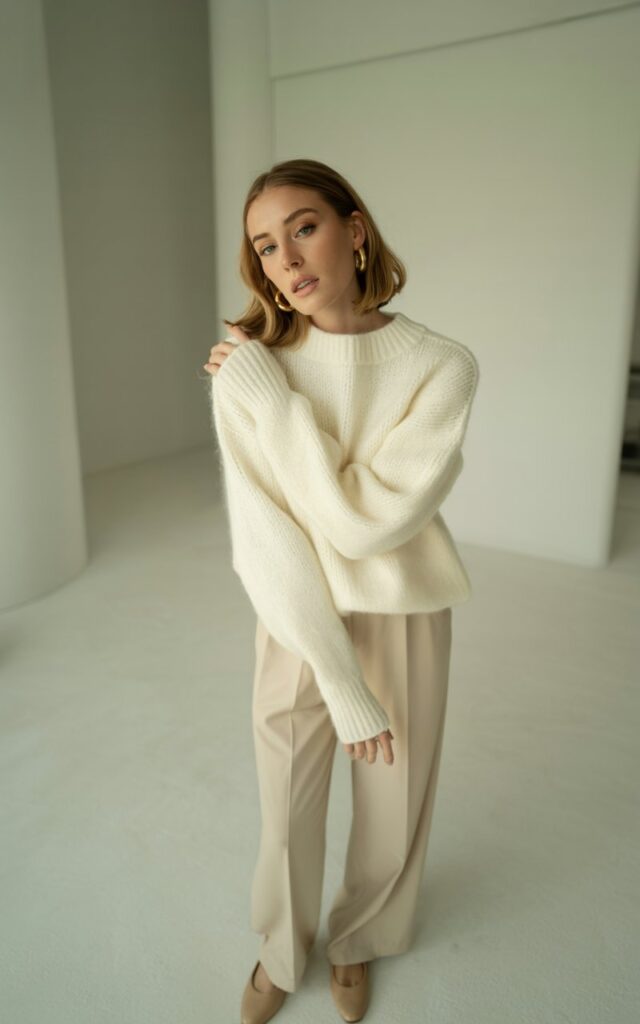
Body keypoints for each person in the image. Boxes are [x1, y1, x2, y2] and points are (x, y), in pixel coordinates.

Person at [202, 158, 480, 1024]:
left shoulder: (441, 365)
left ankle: (358, 939)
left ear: (354, 229)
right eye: (265, 245)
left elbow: (367, 526)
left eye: (304, 227)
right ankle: (282, 949)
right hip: (293, 613)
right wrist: (338, 677)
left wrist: (278, 409)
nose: (287, 258)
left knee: (395, 805)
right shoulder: (249, 367)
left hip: (403, 607)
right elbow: (267, 538)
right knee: (286, 801)